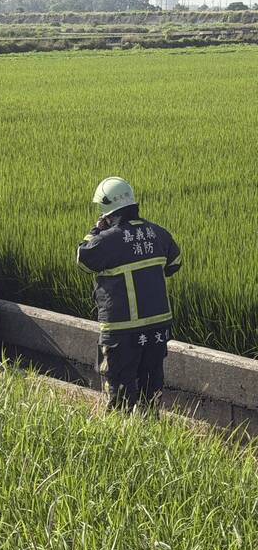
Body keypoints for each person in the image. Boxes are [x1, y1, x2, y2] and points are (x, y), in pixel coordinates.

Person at [76, 177, 182, 413]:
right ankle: (149, 429)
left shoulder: (106, 240)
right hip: (157, 327)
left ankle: (121, 432)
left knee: (119, 392)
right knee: (151, 390)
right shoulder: (159, 233)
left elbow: (83, 260)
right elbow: (174, 264)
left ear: (106, 210)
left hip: (122, 329)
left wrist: (96, 230)